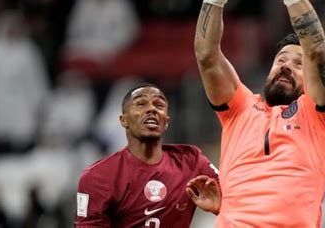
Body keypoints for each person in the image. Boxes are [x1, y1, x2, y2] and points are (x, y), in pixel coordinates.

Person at [194, 0, 325, 227]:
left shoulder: (317, 115)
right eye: (281, 61)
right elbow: (207, 55)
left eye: (298, 64)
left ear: (310, 79)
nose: (287, 65)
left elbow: (315, 47)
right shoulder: (238, 110)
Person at [75, 83, 221, 227]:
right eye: (140, 104)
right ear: (123, 120)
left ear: (167, 122)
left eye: (159, 105)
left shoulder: (191, 160)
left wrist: (221, 207)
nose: (151, 109)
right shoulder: (98, 176)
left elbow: (234, 199)